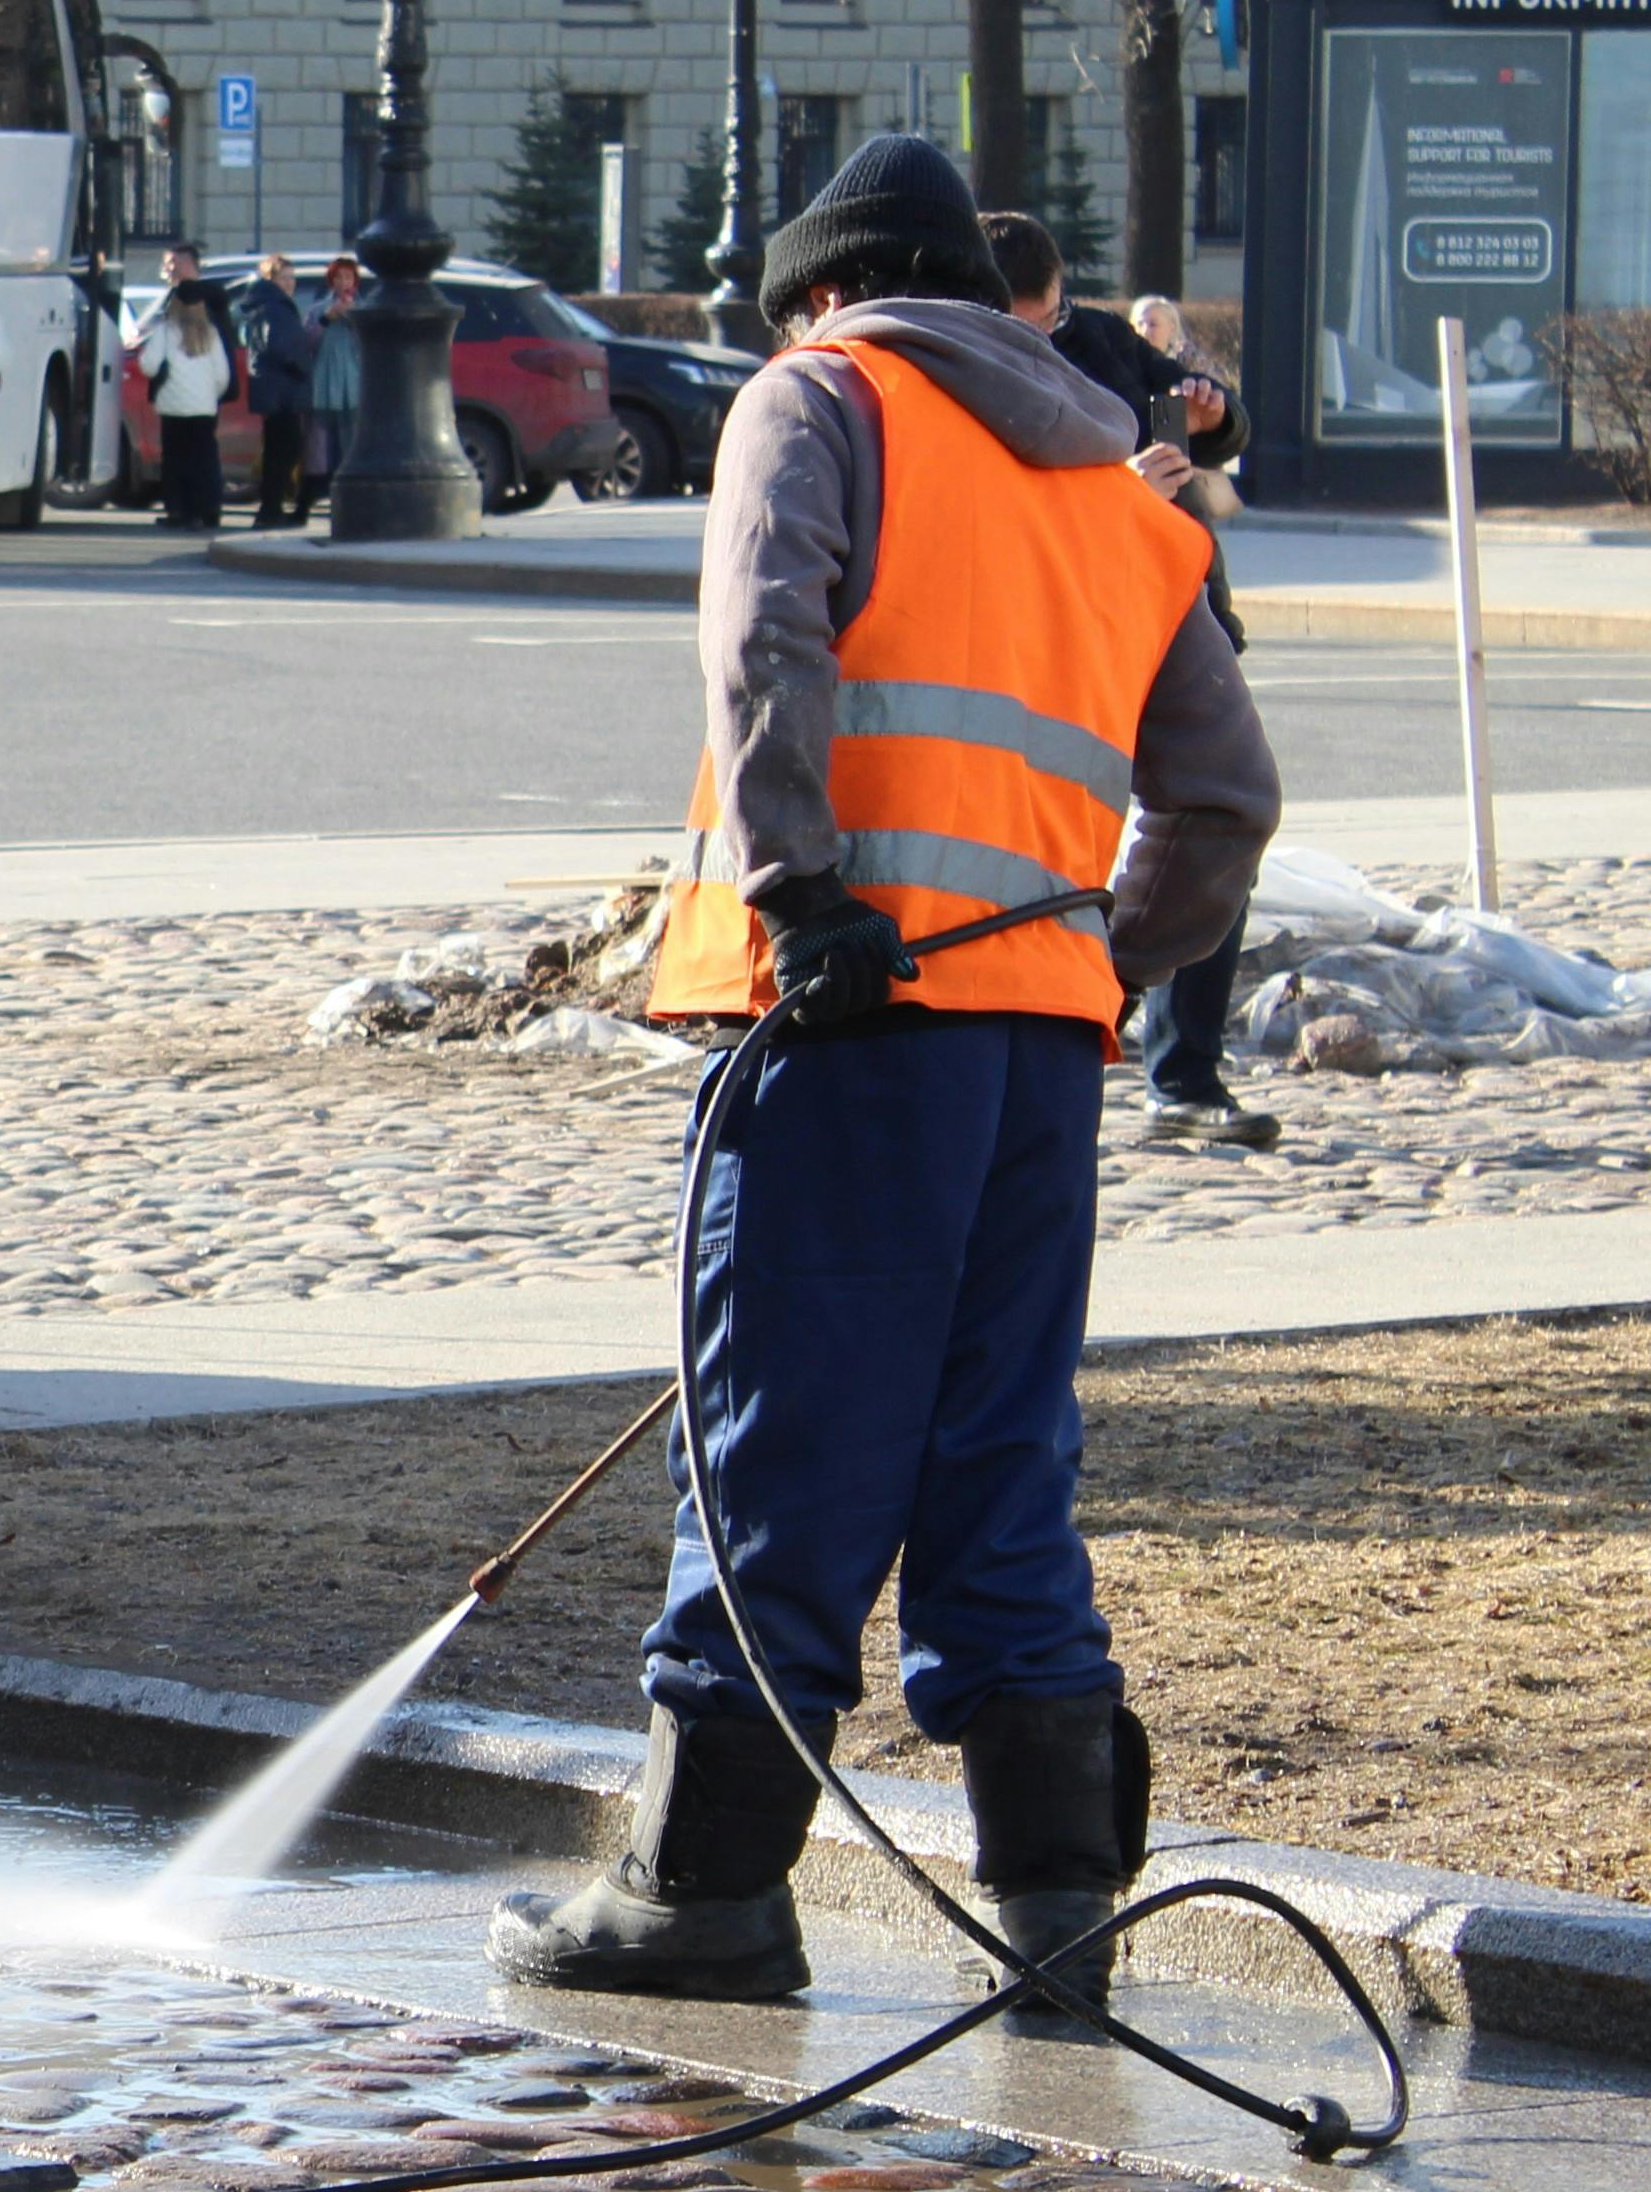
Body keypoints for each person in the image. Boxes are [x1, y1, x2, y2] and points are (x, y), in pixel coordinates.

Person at [487, 133, 1276, 2028]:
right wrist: (1098, 955)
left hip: (842, 1019)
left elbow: (761, 641)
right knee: (995, 1462)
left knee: (776, 1442)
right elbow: (1223, 798)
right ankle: (1055, 1911)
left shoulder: (817, 397)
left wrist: (801, 892)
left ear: (821, 291)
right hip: (1032, 1053)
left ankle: (698, 1887)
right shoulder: (1116, 488)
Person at [986, 216, 1274, 1149]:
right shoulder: (964, 369)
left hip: (1175, 609)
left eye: (1056, 312)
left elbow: (1214, 429)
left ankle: (1179, 1065)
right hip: (1057, 635)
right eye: (1032, 325)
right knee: (1035, 838)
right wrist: (1123, 496)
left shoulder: (1101, 338)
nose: (1052, 335)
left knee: (1220, 814)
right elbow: (1009, 522)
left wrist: (1206, 412)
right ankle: (1032, 1033)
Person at [240, 256, 323, 525]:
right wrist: (302, 367)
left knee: (279, 449)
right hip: (281, 389)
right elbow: (280, 345)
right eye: (284, 277)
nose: (290, 283)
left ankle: (271, 507)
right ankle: (270, 509)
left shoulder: (269, 304)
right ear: (271, 279)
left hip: (275, 387)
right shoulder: (274, 306)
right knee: (285, 449)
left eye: (292, 277)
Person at [144, 285, 233, 527]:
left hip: (173, 407)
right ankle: (209, 509)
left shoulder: (164, 332)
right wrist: (210, 396)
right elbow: (222, 375)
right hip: (204, 408)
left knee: (175, 460)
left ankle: (180, 510)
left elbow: (148, 365)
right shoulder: (211, 334)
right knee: (205, 460)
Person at [303, 254, 366, 505]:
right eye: (337, 277)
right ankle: (320, 485)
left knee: (350, 436)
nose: (342, 282)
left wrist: (352, 318)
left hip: (353, 383)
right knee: (321, 440)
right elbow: (307, 343)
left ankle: (350, 485)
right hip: (324, 382)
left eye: (347, 277)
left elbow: (369, 344)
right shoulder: (318, 310)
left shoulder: (363, 310)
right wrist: (327, 318)